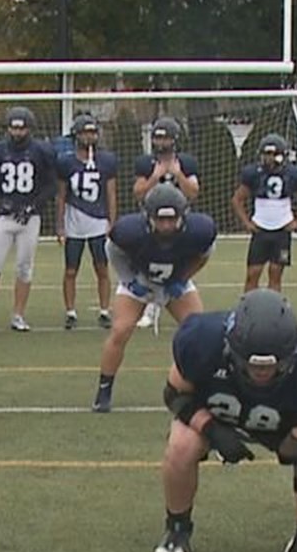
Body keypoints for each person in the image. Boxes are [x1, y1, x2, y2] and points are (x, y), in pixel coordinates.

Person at [156, 289, 297, 552]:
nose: (262, 373)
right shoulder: (203, 340)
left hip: (284, 423)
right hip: (215, 414)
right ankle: (177, 528)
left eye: (271, 366)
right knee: (181, 445)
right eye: (253, 365)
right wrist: (211, 429)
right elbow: (174, 395)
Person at [92, 183, 216, 412]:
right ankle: (104, 390)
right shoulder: (129, 231)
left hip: (173, 281)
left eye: (172, 219)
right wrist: (129, 280)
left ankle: (202, 389)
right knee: (121, 330)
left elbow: (204, 253)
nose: (166, 226)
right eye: (160, 220)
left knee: (201, 334)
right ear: (147, 217)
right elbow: (112, 249)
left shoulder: (198, 231)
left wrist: (182, 278)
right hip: (140, 280)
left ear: (183, 216)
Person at [0, 106, 58, 334]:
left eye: (21, 127)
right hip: (4, 215)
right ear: (7, 128)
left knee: (24, 267)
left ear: (30, 128)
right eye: (14, 127)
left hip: (30, 217)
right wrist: (1, 202)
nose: (17, 132)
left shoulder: (41, 151)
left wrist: (33, 205)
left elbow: (51, 184)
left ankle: (18, 314)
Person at [130, 116, 202, 330]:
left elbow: (193, 193)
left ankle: (175, 300)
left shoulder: (186, 162)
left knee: (176, 263)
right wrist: (155, 177)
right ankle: (147, 308)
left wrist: (177, 174)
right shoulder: (146, 163)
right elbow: (138, 193)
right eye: (158, 137)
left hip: (177, 222)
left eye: (165, 138)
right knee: (146, 263)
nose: (161, 143)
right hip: (152, 221)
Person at [232, 133, 297, 294]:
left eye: (273, 154)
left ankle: (274, 311)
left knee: (275, 274)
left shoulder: (292, 175)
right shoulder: (254, 174)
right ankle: (247, 309)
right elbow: (237, 199)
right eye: (266, 154)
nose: (269, 158)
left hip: (282, 231)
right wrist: (247, 222)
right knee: (252, 274)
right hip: (260, 229)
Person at [57, 113, 120, 331]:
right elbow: (62, 195)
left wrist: (112, 221)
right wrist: (60, 225)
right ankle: (70, 311)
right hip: (75, 220)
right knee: (70, 270)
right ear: (76, 134)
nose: (89, 136)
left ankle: (104, 310)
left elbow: (111, 193)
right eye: (85, 132)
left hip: (98, 221)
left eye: (92, 132)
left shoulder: (106, 160)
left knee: (102, 268)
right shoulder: (66, 161)